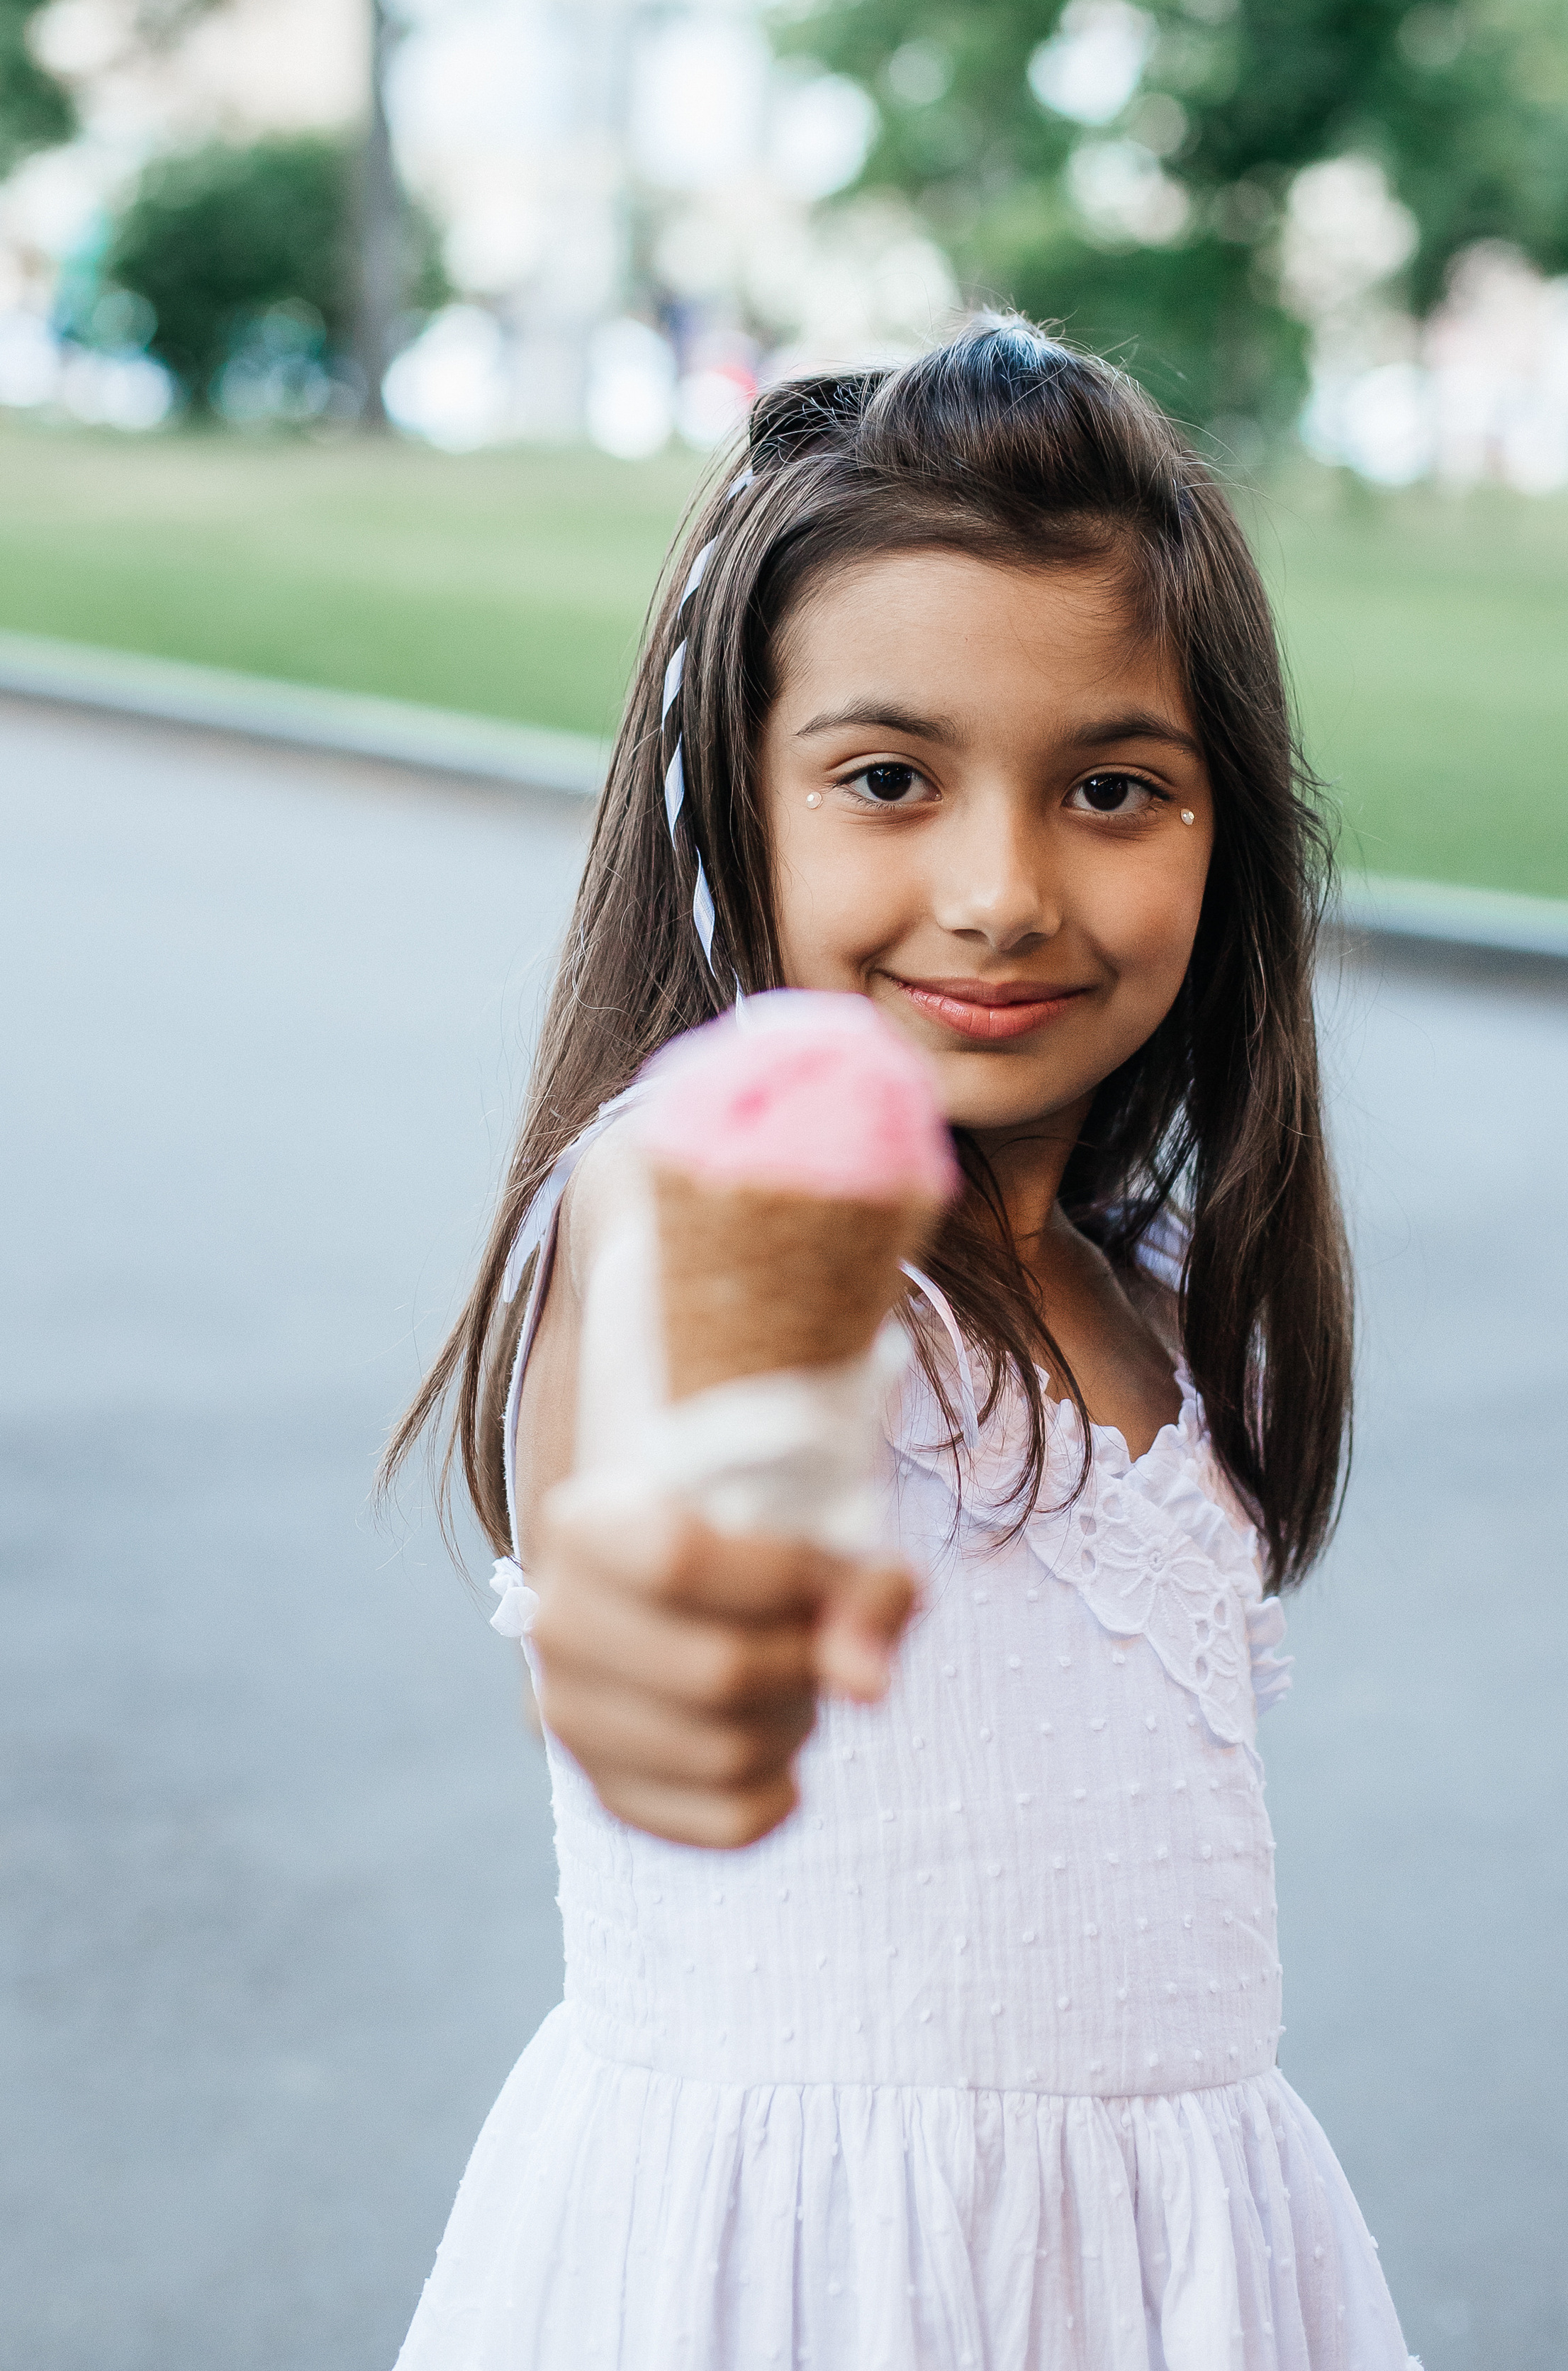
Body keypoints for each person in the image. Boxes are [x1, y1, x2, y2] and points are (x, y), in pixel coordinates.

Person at [386, 320, 1417, 2368]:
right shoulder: (701, 1204)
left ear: (1229, 826)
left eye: (1113, 789)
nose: (1001, 891)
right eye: (887, 780)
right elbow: (655, 1471)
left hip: (1167, 2280)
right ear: (734, 808)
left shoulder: (1162, 1299)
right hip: (800, 2289)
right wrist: (657, 1639)